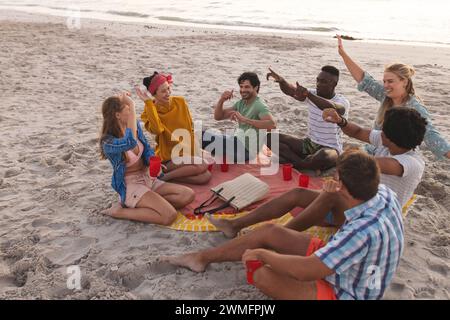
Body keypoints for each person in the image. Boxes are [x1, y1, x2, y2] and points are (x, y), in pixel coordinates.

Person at [165, 150, 404, 300]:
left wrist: (262, 253)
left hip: (348, 292)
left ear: (342, 186)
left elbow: (306, 270)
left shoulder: (359, 231)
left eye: (336, 179)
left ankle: (252, 251)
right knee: (270, 231)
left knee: (261, 275)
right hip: (350, 266)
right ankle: (201, 257)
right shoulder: (383, 193)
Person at [207, 107, 426, 238]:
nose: (380, 133)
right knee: (297, 194)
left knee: (328, 198)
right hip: (354, 202)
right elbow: (358, 131)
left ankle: (274, 236)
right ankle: (235, 225)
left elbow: (372, 164)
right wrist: (340, 121)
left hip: (370, 218)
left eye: (384, 130)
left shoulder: (411, 163)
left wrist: (348, 158)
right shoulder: (390, 141)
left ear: (391, 136)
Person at [336, 34, 450, 160]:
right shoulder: (386, 96)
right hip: (376, 150)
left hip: (398, 157)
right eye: (384, 81)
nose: (385, 85)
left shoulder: (414, 107)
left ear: (404, 81)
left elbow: (432, 136)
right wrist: (343, 54)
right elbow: (364, 79)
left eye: (390, 81)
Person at [100, 92, 195, 225]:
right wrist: (132, 104)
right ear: (118, 115)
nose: (132, 113)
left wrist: (152, 161)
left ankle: (148, 204)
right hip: (132, 185)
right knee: (169, 216)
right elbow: (130, 142)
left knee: (188, 195)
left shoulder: (134, 127)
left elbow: (146, 147)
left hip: (148, 178)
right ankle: (118, 212)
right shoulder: (107, 142)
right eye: (128, 109)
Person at [265, 66, 350, 171]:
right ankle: (303, 163)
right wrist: (282, 81)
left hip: (330, 148)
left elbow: (333, 107)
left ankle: (295, 162)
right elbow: (291, 91)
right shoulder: (312, 94)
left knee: (324, 157)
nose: (318, 84)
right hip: (309, 144)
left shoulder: (342, 101)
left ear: (334, 84)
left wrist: (308, 95)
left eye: (323, 82)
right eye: (317, 80)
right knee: (269, 138)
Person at [136, 72, 211, 185]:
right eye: (163, 91)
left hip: (186, 153)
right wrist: (148, 103)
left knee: (205, 177)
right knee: (202, 164)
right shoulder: (149, 112)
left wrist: (193, 153)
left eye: (168, 89)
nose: (168, 93)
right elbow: (157, 130)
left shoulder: (180, 102)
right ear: (154, 94)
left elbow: (190, 128)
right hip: (169, 157)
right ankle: (164, 177)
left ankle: (166, 177)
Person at [202, 72, 276, 162]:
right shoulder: (241, 103)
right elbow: (218, 117)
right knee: (203, 133)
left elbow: (272, 125)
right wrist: (222, 100)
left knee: (200, 136)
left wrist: (244, 119)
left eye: (247, 87)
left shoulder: (259, 105)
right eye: (241, 86)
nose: (243, 90)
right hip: (236, 142)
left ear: (255, 88)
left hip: (246, 152)